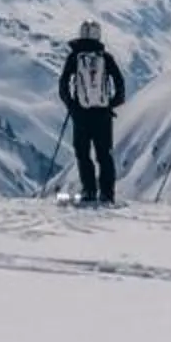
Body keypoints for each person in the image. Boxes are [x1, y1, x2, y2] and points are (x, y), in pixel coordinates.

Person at [55, 20, 127, 205]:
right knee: (104, 154)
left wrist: (71, 105)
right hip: (103, 114)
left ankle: (89, 190)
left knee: (83, 153)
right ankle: (107, 193)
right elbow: (120, 84)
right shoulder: (106, 58)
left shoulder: (74, 57)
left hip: (81, 114)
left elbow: (63, 85)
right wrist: (111, 104)